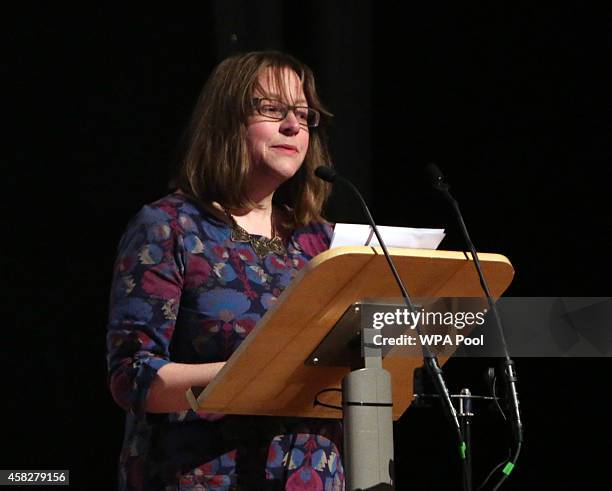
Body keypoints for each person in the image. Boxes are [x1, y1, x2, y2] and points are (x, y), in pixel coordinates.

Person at [106, 51, 345, 490]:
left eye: (303, 114)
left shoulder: (325, 244)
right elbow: (131, 374)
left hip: (314, 476)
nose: (293, 126)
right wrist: (245, 377)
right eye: (272, 110)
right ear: (226, 121)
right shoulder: (171, 226)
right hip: (204, 476)